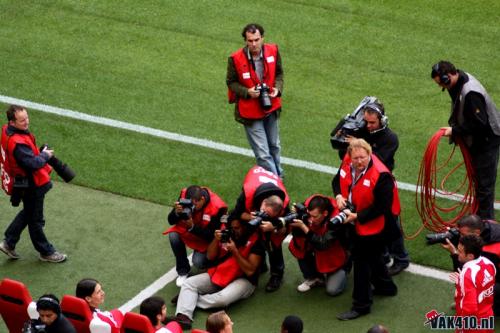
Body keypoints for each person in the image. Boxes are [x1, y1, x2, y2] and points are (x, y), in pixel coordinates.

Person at [336, 97, 409, 275]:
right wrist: (343, 140)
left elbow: (377, 162)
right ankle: (383, 255)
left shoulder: (390, 138)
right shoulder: (360, 131)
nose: (368, 126)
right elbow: (343, 156)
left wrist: (358, 146)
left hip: (382, 184)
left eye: (372, 122)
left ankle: (401, 258)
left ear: (382, 120)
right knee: (371, 220)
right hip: (362, 183)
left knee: (390, 222)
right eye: (366, 122)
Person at [332, 139, 399, 320]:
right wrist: (338, 195)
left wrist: (358, 216)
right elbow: (336, 180)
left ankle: (361, 305)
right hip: (358, 222)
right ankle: (386, 287)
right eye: (355, 158)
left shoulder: (382, 175)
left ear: (370, 155)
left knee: (361, 263)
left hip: (377, 226)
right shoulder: (348, 162)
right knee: (373, 257)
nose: (359, 161)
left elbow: (383, 206)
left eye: (362, 157)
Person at [431, 61, 500, 220]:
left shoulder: (470, 92)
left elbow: (479, 123)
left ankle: (485, 226)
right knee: (479, 181)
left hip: (487, 141)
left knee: (484, 186)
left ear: (447, 77)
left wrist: (455, 131)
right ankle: (479, 217)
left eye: (441, 82)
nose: (441, 86)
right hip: (479, 139)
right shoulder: (457, 82)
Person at [168, 217, 264, 330]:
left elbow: (250, 270)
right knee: (189, 283)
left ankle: (190, 298)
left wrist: (235, 252)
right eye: (232, 228)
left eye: (237, 228)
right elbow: (210, 256)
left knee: (222, 299)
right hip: (223, 272)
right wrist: (216, 239)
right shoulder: (228, 233)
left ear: (244, 227)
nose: (234, 230)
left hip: (245, 280)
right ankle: (184, 316)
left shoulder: (257, 242)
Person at [0, 105, 67, 263]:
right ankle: (46, 252)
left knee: (29, 212)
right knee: (35, 219)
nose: (26, 122)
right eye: (22, 120)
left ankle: (9, 242)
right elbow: (32, 163)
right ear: (12, 122)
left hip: (22, 182)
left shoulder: (7, 131)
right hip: (31, 184)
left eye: (27, 118)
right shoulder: (18, 143)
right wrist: (45, 155)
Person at [226, 23, 284, 177]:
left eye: (257, 40)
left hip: (270, 105)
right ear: (245, 40)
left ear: (262, 38)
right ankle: (275, 181)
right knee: (263, 152)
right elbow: (231, 83)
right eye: (250, 41)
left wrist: (277, 89)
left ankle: (277, 173)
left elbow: (279, 74)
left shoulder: (274, 50)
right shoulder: (235, 59)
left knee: (274, 146)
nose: (254, 44)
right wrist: (247, 92)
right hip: (249, 110)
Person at [229, 165, 290, 292]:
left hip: (271, 219)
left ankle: (277, 274)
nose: (264, 216)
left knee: (274, 242)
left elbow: (286, 227)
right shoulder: (247, 193)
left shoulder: (284, 204)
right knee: (249, 232)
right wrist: (249, 217)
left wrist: (274, 227)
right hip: (252, 206)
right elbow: (236, 213)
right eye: (264, 212)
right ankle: (260, 263)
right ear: (262, 202)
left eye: (269, 215)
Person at [164, 185, 228, 287]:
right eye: (190, 205)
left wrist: (192, 227)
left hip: (205, 239)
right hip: (190, 232)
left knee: (198, 262)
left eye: (194, 204)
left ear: (202, 199)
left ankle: (214, 265)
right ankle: (183, 271)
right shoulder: (185, 196)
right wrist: (176, 213)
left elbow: (211, 236)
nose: (192, 208)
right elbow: (170, 221)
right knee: (173, 235)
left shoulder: (218, 207)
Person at [288, 194, 348, 296]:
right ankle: (314, 277)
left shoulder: (337, 219)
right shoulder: (310, 205)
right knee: (299, 245)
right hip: (319, 240)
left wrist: (304, 227)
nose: (310, 220)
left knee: (332, 290)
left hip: (334, 251)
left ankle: (344, 268)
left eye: (314, 217)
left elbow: (323, 244)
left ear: (325, 213)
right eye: (309, 215)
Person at [441, 214, 500, 316]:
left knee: (474, 283)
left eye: (463, 235)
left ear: (477, 233)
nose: (460, 238)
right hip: (495, 271)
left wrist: (454, 253)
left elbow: (464, 272)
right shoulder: (487, 224)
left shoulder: (489, 250)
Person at [449, 234, 496, 332]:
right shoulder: (489, 263)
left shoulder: (467, 275)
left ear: (470, 256)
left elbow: (470, 308)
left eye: (460, 252)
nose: (457, 252)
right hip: (487, 316)